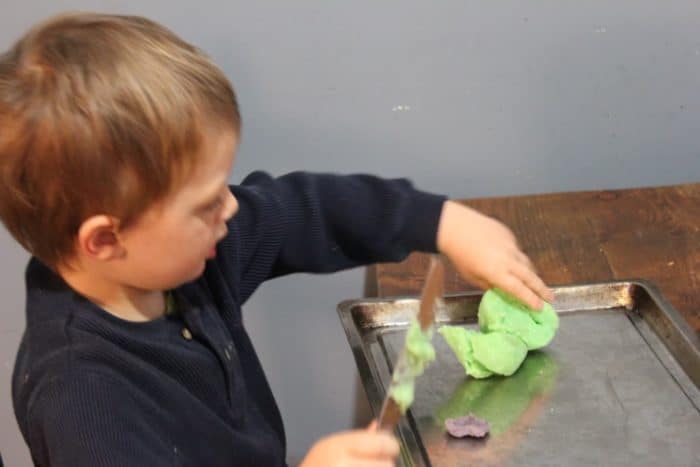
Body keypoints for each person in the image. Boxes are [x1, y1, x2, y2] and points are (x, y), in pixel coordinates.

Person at [0, 12, 553, 467]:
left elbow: (301, 211)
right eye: (205, 202)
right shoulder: (84, 403)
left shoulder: (178, 262)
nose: (232, 206)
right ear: (103, 240)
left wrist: (443, 222)